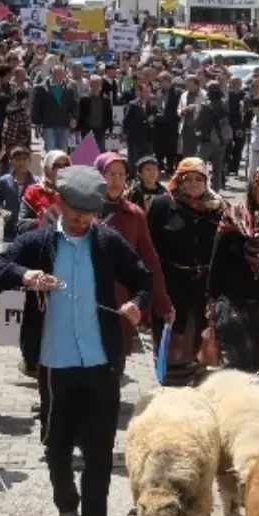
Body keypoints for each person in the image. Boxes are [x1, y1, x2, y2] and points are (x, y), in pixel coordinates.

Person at [0, 166, 154, 516]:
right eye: (75, 212)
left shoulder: (107, 242)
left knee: (100, 445)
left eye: (89, 214)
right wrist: (24, 276)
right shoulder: (39, 242)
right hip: (54, 361)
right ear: (60, 203)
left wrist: (137, 303)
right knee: (56, 442)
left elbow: (143, 277)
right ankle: (66, 503)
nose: (80, 220)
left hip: (101, 361)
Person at [209, 165, 259, 391]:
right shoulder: (232, 217)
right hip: (235, 303)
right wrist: (212, 301)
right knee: (238, 366)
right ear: (251, 186)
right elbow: (217, 262)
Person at [146, 158, 226, 386]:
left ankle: (197, 382)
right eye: (187, 179)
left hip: (204, 283)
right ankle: (171, 384)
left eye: (198, 179)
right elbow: (150, 249)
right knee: (173, 334)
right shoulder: (163, 205)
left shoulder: (217, 208)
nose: (193, 184)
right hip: (172, 282)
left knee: (200, 335)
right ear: (178, 180)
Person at [93, 152, 174, 363]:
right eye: (110, 174)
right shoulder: (84, 211)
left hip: (120, 302)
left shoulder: (134, 214)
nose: (116, 180)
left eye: (121, 175)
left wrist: (163, 303)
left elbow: (150, 261)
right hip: (87, 299)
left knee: (115, 366)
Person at [19, 150, 72, 236]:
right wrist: (43, 221)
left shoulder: (74, 192)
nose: (62, 170)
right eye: (56, 166)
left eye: (65, 165)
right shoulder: (34, 192)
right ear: (47, 168)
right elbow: (21, 226)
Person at [0, 146, 37, 244]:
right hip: (10, 230)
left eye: (24, 159)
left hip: (29, 230)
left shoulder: (36, 183)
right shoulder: (4, 181)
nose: (21, 162)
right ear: (11, 162)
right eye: (17, 159)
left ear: (30, 161)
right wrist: (2, 212)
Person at [32, 64, 77, 154]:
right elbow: (37, 108)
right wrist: (37, 125)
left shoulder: (69, 89)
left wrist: (74, 118)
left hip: (64, 125)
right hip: (49, 125)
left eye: (61, 73)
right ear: (52, 74)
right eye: (56, 73)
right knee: (51, 152)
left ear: (64, 74)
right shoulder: (42, 89)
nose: (58, 75)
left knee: (62, 153)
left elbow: (74, 106)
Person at [195, 82, 231, 193]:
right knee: (217, 168)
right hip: (222, 140)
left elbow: (199, 122)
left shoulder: (206, 105)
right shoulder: (225, 104)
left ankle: (200, 188)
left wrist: (196, 131)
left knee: (199, 165)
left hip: (208, 140)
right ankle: (216, 191)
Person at [123, 83, 159, 169]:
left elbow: (159, 115)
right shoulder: (133, 104)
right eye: (145, 92)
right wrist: (125, 133)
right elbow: (126, 120)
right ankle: (132, 176)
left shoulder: (152, 105)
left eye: (149, 92)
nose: (147, 94)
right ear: (140, 93)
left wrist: (154, 117)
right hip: (135, 137)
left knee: (147, 159)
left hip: (148, 137)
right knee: (134, 158)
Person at [77, 75, 112, 152]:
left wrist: (109, 128)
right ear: (90, 85)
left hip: (101, 131)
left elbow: (109, 115)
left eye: (98, 84)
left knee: (101, 154)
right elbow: (80, 115)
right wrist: (77, 129)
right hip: (87, 131)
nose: (96, 86)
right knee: (88, 155)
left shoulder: (106, 100)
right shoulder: (84, 99)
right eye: (94, 84)